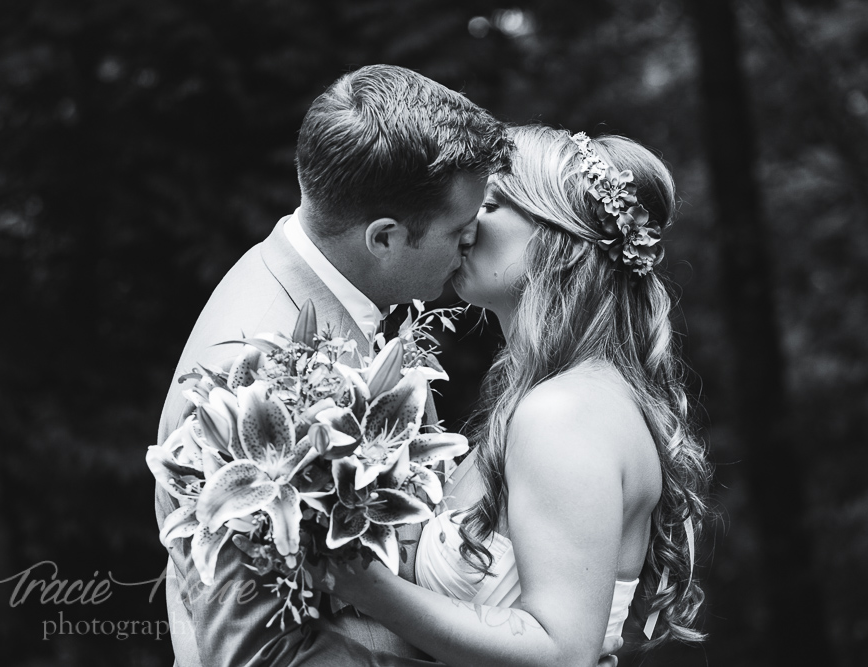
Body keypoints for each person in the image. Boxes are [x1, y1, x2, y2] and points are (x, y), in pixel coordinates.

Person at [154, 68, 625, 666]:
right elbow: (253, 651)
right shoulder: (261, 373)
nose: (473, 238)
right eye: (460, 229)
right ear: (384, 238)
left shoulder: (329, 296)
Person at [316, 125, 713, 667]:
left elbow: (562, 650)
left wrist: (363, 584)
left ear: (559, 238)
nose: (465, 221)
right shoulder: (556, 397)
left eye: (493, 203)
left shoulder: (566, 413)